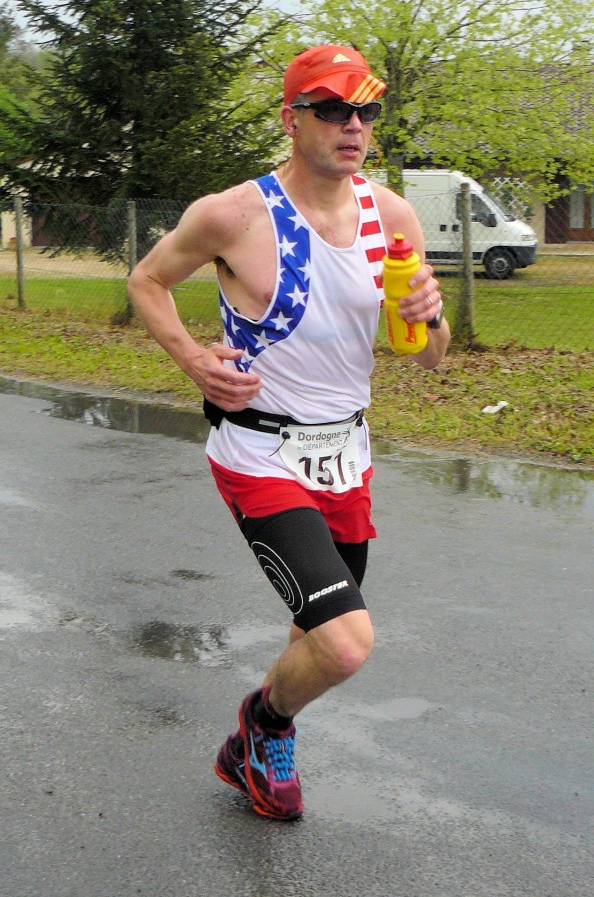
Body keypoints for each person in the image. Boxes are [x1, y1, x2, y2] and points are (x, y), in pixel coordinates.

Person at [127, 43, 451, 821]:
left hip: (346, 454)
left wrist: (427, 319)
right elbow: (147, 280)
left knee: (316, 634)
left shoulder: (392, 215)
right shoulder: (234, 214)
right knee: (345, 642)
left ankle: (257, 737)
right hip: (258, 449)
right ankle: (264, 725)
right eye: (332, 109)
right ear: (291, 118)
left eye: (365, 111)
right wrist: (194, 360)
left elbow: (435, 358)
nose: (352, 126)